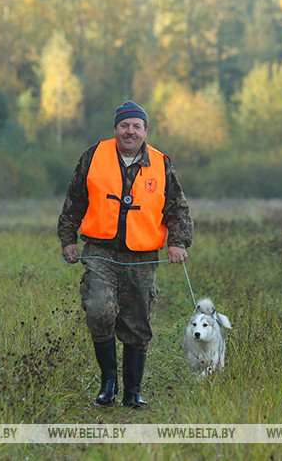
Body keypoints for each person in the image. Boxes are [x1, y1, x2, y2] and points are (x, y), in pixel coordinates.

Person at [58, 100, 193, 408]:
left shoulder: (161, 163)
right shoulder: (92, 157)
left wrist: (178, 242)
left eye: (136, 126)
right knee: (98, 310)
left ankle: (133, 391)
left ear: (145, 131)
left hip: (143, 256)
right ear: (115, 129)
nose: (129, 131)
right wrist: (68, 239)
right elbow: (74, 201)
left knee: (138, 323)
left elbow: (178, 209)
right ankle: (109, 384)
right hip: (100, 252)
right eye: (124, 125)